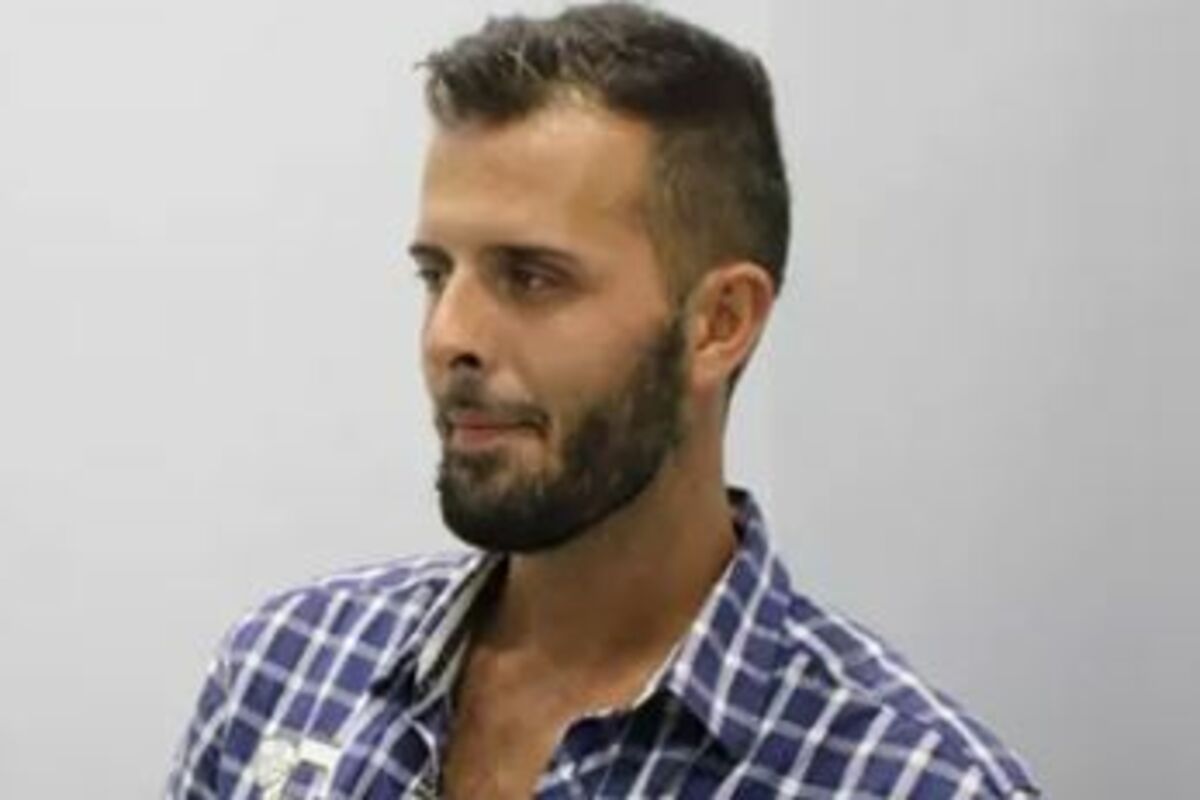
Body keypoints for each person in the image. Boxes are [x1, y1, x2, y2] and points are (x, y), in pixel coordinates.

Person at [166, 3, 1041, 798]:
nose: (447, 337)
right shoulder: (283, 674)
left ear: (719, 324)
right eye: (436, 274)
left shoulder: (908, 781)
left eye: (531, 277)